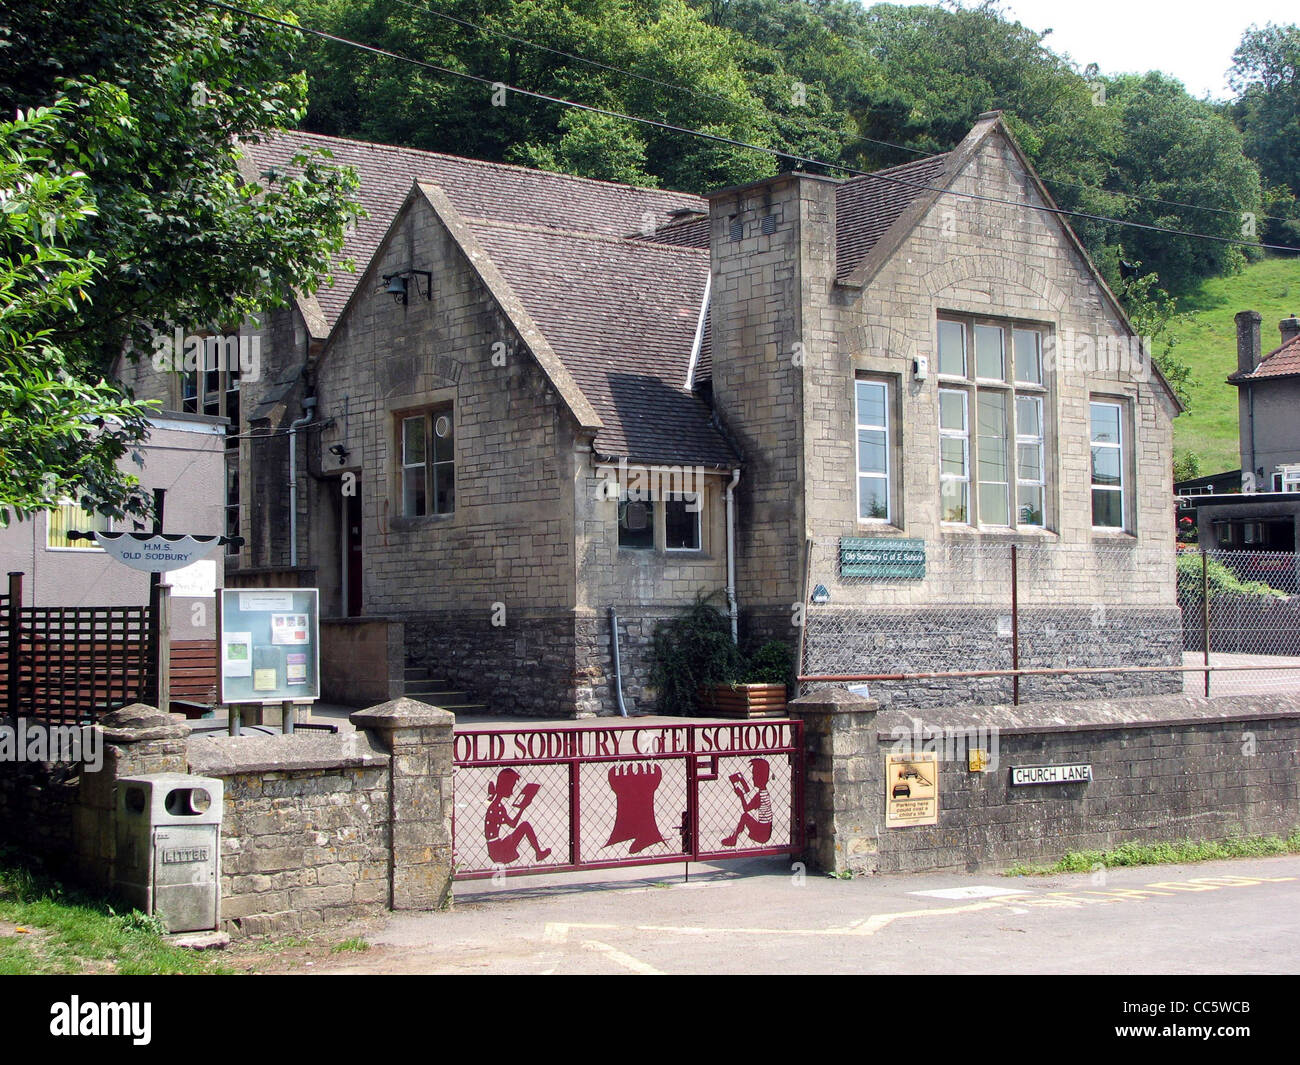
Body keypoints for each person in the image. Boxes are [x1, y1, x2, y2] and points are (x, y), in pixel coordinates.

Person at [484, 768, 550, 864]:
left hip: (494, 847)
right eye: (511, 787)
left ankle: (539, 853)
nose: (511, 791)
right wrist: (522, 808)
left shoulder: (497, 806)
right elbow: (513, 824)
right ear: (504, 786)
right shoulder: (497, 808)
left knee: (523, 827)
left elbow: (511, 824)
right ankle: (539, 853)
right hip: (497, 851)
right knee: (525, 826)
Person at [721, 758, 773, 847]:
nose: (752, 778)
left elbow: (746, 808)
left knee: (745, 816)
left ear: (759, 776)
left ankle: (733, 839)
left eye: (754, 775)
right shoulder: (764, 792)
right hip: (766, 831)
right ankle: (733, 838)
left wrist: (741, 795)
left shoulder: (760, 796)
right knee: (746, 817)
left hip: (762, 834)